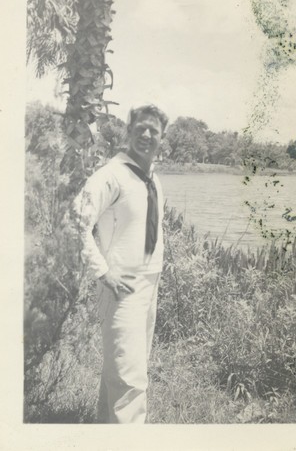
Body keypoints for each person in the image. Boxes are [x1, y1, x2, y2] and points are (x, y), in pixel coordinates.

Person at [73, 104, 169, 423]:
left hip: (149, 285)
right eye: (139, 128)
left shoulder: (151, 178)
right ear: (128, 132)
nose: (146, 134)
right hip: (121, 287)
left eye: (153, 130)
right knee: (130, 381)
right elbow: (75, 221)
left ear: (161, 138)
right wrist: (103, 272)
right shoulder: (111, 175)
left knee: (124, 369)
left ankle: (104, 434)